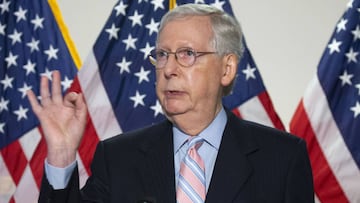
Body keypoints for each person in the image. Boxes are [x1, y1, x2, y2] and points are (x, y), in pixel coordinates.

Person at [27, 3, 314, 203]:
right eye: (162, 55)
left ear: (226, 69)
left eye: (187, 53)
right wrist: (62, 154)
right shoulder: (117, 158)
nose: (168, 69)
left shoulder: (282, 158)